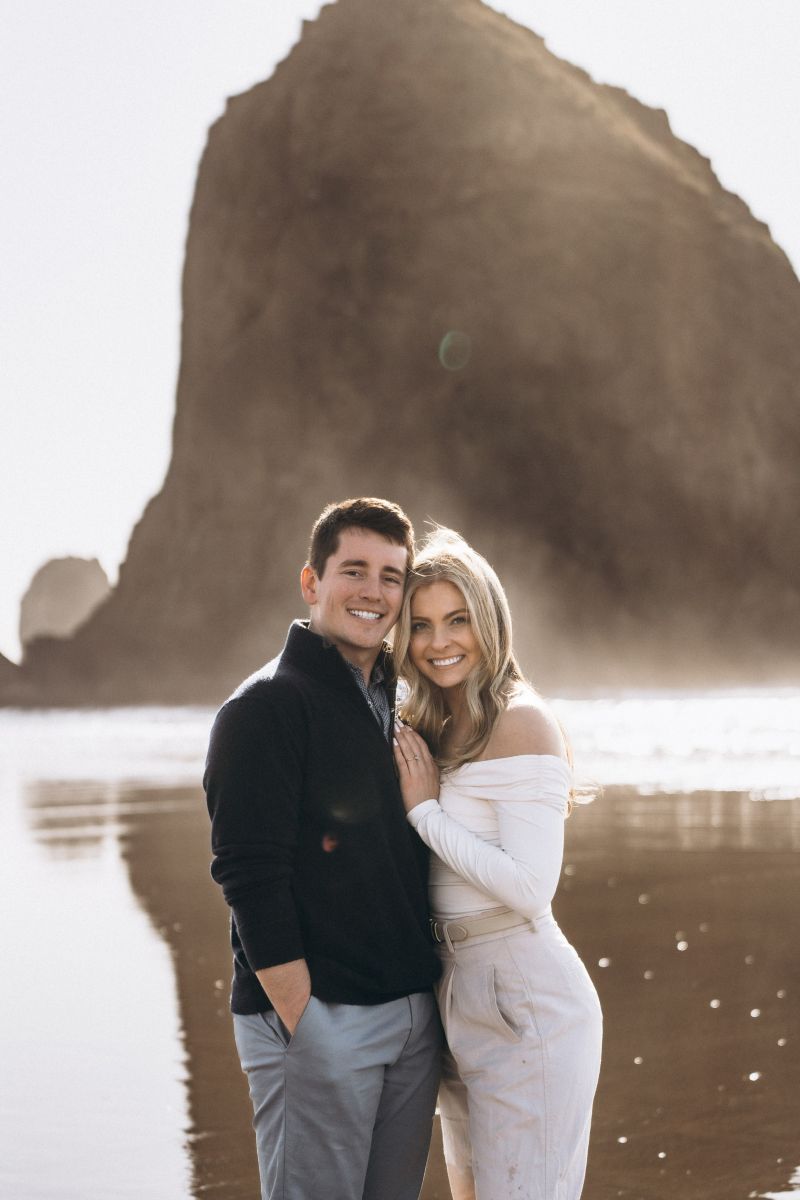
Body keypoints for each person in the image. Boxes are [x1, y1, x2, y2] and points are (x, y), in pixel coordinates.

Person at [204, 497, 443, 1200]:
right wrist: (307, 1021)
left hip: (409, 1017)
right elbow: (249, 873)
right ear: (312, 583)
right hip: (319, 1020)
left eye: (392, 576)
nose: (374, 591)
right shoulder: (264, 708)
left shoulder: (397, 700)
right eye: (354, 570)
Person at [392, 527, 602, 1200]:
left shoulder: (522, 722)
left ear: (490, 620)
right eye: (420, 625)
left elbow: (532, 887)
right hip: (450, 986)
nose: (439, 641)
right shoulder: (430, 722)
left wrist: (426, 813)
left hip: (522, 993)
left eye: (458, 620)